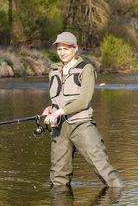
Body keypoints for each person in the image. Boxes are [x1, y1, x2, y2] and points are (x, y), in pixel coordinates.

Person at [43, 31, 123, 189]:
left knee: (104, 170)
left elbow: (84, 100)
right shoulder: (53, 71)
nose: (62, 53)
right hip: (59, 128)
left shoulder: (86, 69)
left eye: (66, 49)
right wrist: (49, 109)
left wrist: (60, 112)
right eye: (59, 49)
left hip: (82, 125)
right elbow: (57, 100)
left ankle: (119, 196)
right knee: (58, 179)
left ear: (75, 49)